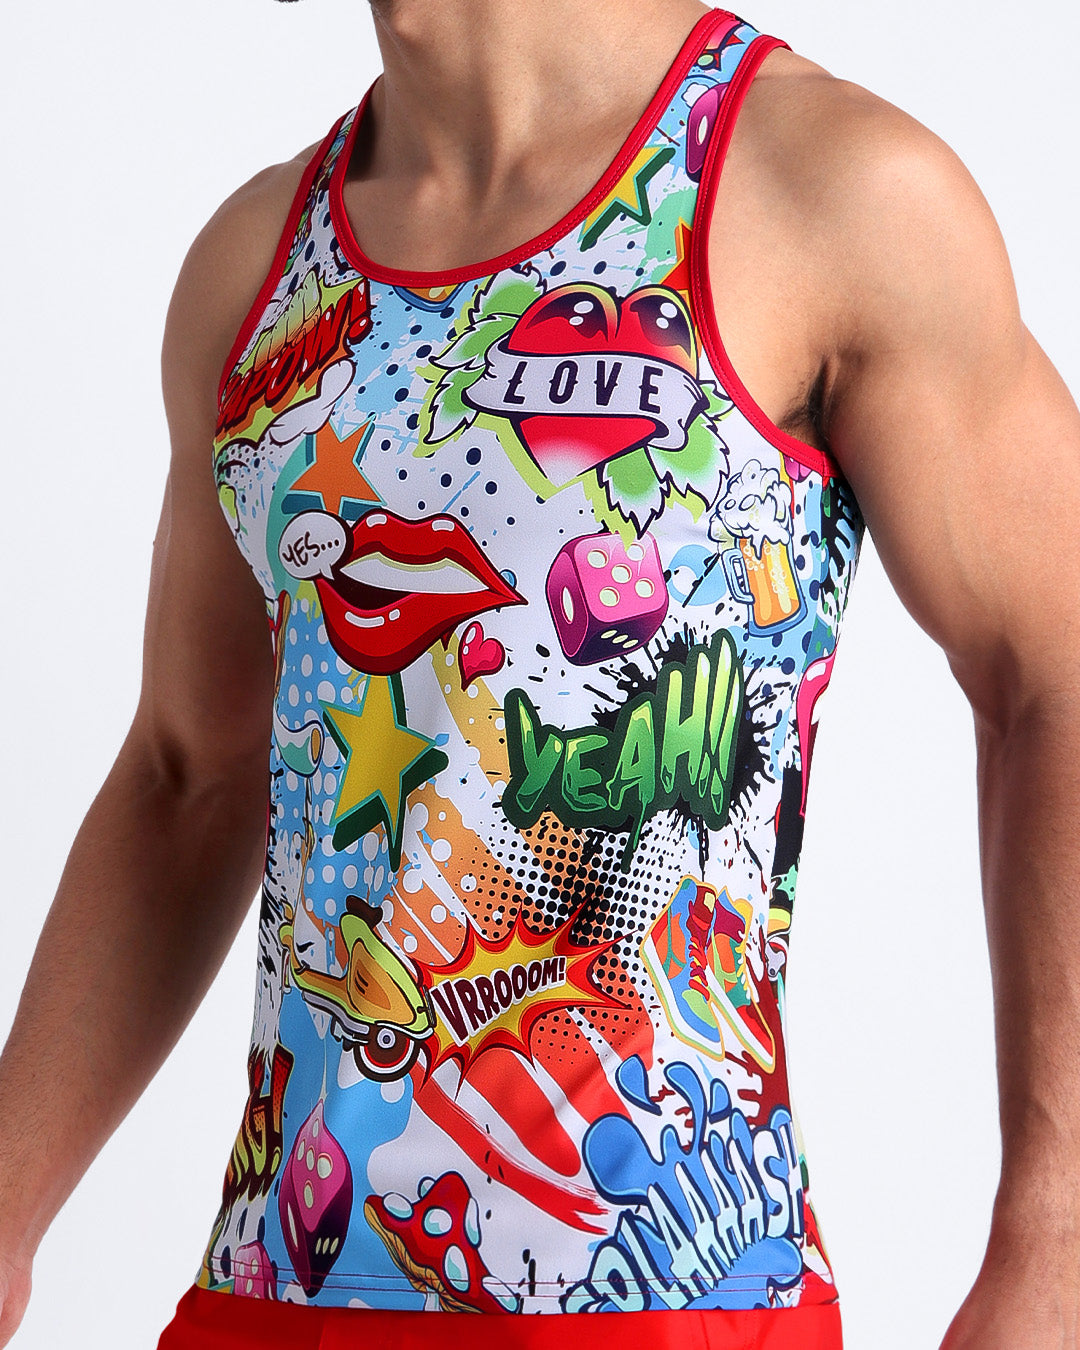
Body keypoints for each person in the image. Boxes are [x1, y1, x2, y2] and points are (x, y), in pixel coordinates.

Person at [2, 0, 1079, 1346]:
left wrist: (1055, 1246)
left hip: (661, 1293)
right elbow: (187, 774)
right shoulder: (258, 267)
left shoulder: (825, 189)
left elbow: (1054, 667)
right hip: (277, 1286)